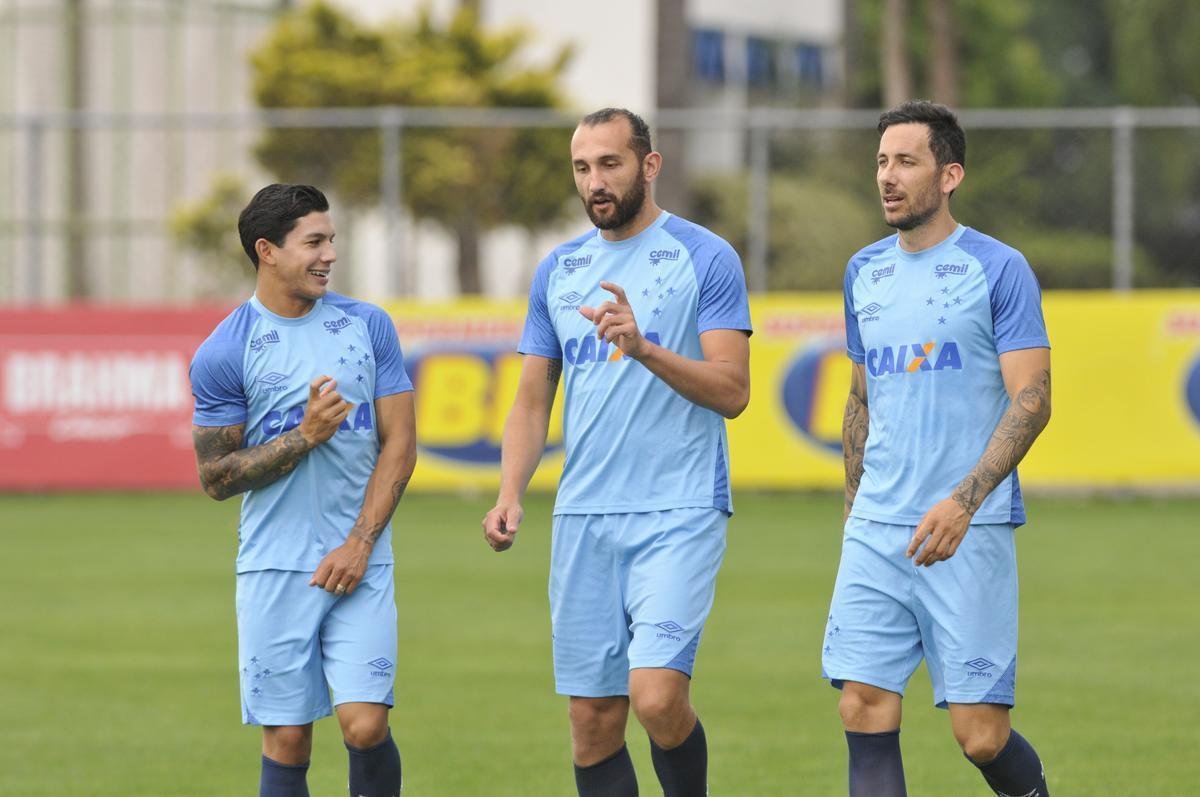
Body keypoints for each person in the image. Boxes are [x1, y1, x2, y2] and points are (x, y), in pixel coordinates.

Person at [482, 107, 752, 797]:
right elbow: (532, 400)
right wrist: (510, 491)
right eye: (582, 167)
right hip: (584, 518)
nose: (595, 181)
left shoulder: (705, 257)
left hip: (679, 507)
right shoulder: (560, 270)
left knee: (657, 698)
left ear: (649, 165)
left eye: (610, 163)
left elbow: (732, 389)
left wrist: (645, 348)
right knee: (594, 721)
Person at [823, 100, 1053, 797]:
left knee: (979, 735)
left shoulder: (998, 268)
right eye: (882, 163)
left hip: (966, 528)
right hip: (875, 529)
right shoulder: (863, 271)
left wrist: (964, 500)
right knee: (862, 706)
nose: (888, 177)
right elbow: (861, 398)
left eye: (907, 162)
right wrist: (853, 507)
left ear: (949, 174)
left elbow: (1033, 400)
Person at [189, 183, 416, 797]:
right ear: (267, 250)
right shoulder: (226, 350)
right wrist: (305, 436)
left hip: (360, 559)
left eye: (330, 240)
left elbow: (400, 445)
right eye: (313, 242)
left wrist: (361, 543)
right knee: (287, 740)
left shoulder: (367, 326)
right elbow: (216, 478)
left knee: (365, 725)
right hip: (273, 565)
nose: (329, 255)